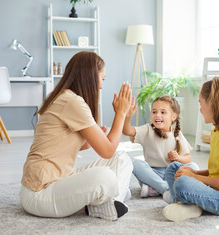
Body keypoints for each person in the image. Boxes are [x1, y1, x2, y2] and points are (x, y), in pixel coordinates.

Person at [20, 51, 134, 221]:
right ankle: (112, 200)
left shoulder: (66, 97)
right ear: (89, 76)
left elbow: (80, 146)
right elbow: (107, 150)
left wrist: (92, 135)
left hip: (61, 179)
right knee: (106, 177)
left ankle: (112, 201)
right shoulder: (71, 101)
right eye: (102, 78)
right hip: (40, 192)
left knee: (122, 159)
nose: (102, 86)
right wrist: (120, 114)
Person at [162, 76, 219, 222]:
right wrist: (194, 172)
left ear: (214, 104)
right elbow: (216, 171)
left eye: (201, 104)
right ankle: (187, 204)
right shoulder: (216, 131)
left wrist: (194, 177)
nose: (200, 109)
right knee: (174, 168)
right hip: (217, 191)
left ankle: (185, 203)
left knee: (183, 183)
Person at [123, 96, 198, 203]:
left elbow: (188, 158)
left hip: (172, 173)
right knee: (137, 165)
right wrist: (128, 117)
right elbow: (126, 131)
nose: (157, 115)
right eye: (154, 112)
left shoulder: (177, 134)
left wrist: (178, 157)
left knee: (194, 167)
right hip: (153, 174)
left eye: (163, 112)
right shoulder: (147, 130)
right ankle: (167, 189)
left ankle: (155, 190)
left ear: (173, 117)